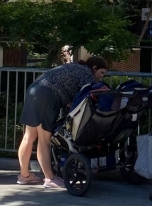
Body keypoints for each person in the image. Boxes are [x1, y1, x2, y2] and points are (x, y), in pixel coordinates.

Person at [16, 56, 109, 189]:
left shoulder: (74, 67)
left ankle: (24, 176)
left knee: (28, 137)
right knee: (44, 140)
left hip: (34, 90)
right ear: (94, 68)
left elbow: (69, 95)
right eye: (101, 73)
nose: (101, 77)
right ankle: (50, 178)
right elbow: (85, 97)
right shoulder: (87, 74)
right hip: (47, 96)